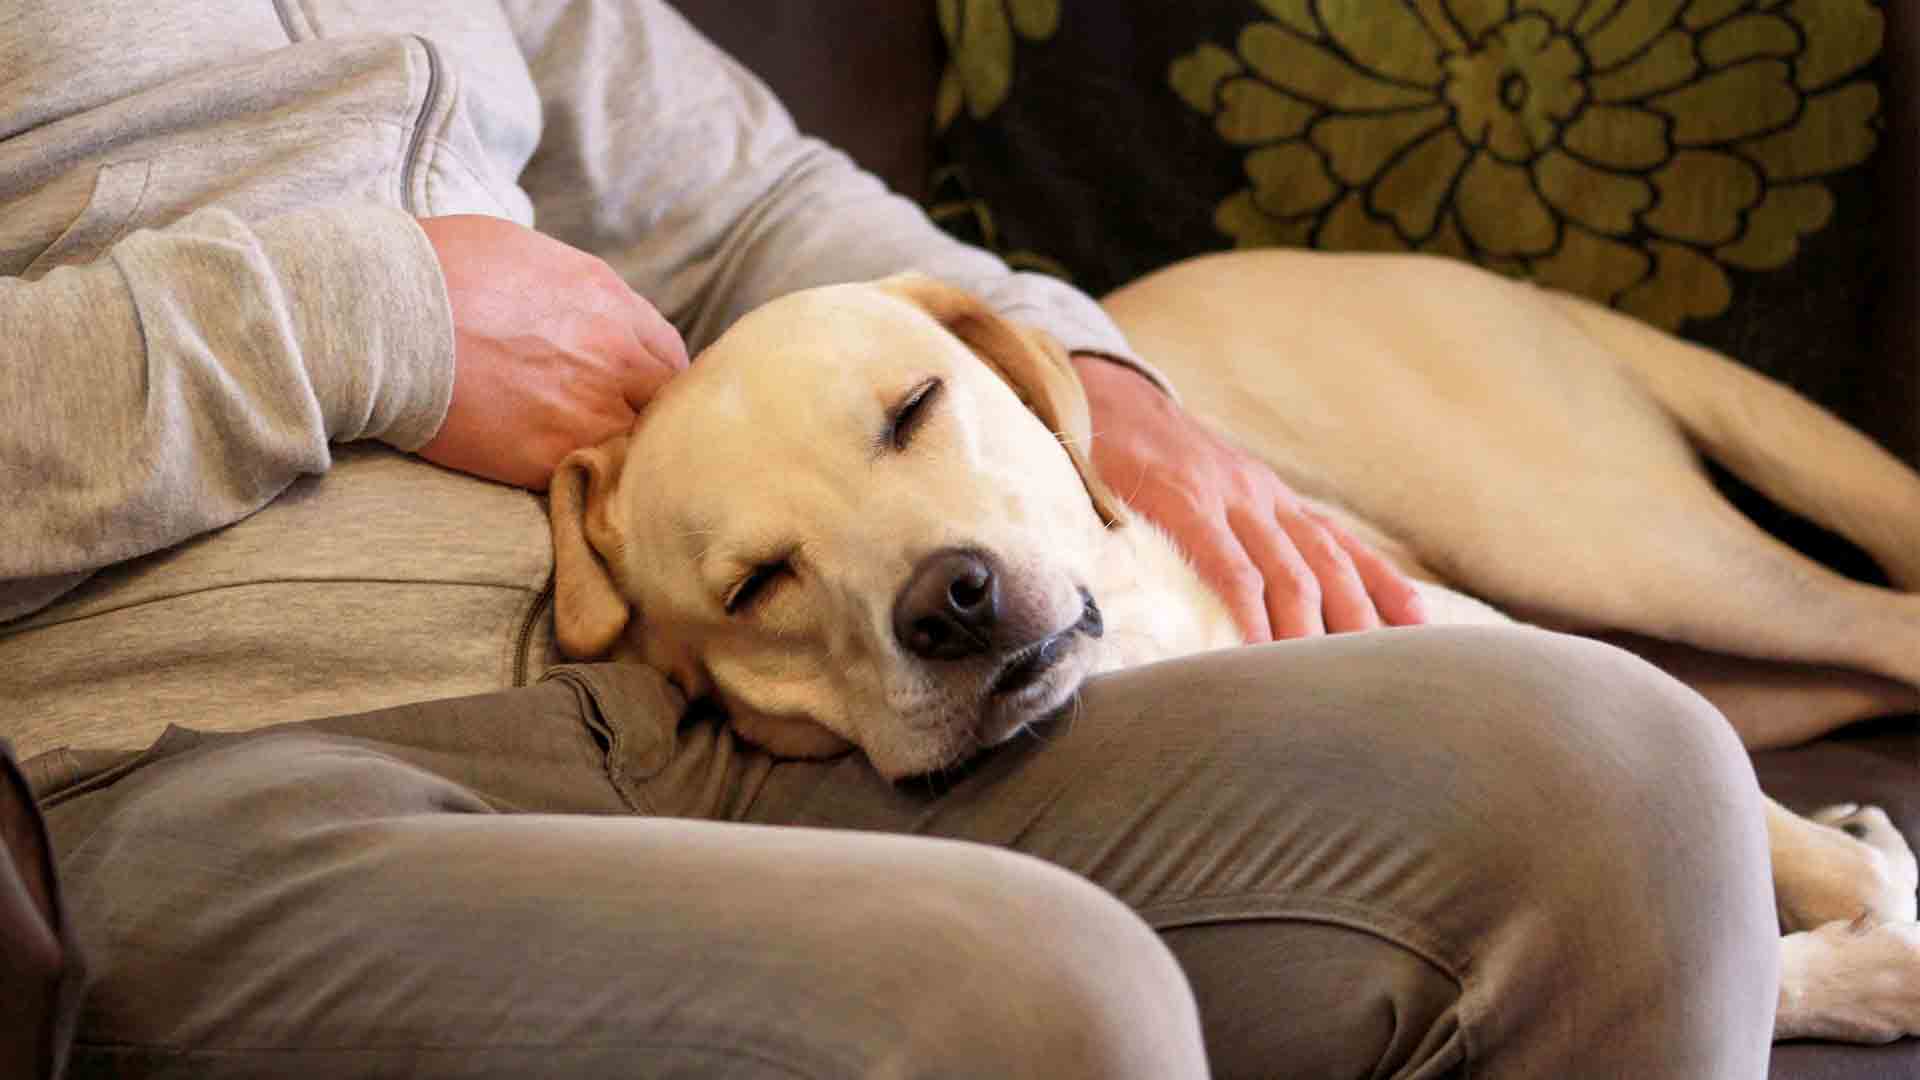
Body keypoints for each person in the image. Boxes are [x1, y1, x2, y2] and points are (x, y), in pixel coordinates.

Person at [2, 2, 1780, 1076]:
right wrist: (370, 321)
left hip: (724, 710)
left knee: (1619, 775)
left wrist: (1094, 370)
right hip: (209, 786)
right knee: (1019, 1008)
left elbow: (757, 206)